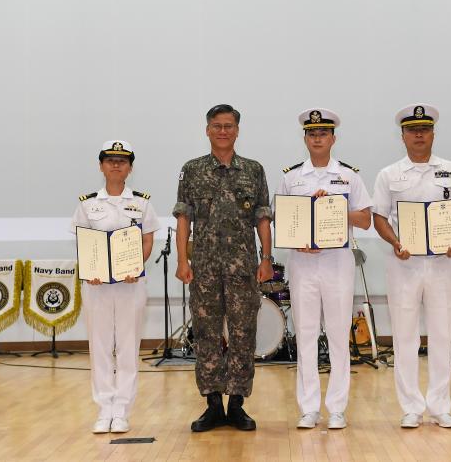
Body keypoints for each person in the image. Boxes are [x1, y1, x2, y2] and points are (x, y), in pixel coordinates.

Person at [372, 104, 451, 429]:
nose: (419, 134)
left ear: (433, 133)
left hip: (442, 264)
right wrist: (395, 242)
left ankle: (440, 405)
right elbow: (379, 218)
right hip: (404, 264)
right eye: (412, 130)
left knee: (443, 334)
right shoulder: (388, 174)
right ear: (402, 135)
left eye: (425, 129)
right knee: (404, 337)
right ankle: (411, 407)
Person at [172, 104, 273, 432]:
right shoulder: (192, 170)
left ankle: (237, 405)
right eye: (217, 126)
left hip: (243, 268)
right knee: (207, 336)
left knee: (244, 336)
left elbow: (262, 217)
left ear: (237, 130)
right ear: (207, 130)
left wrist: (267, 258)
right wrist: (182, 261)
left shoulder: (253, 170)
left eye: (229, 125)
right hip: (204, 270)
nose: (223, 131)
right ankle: (213, 404)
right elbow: (184, 218)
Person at [276, 108, 372, 430]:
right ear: (305, 138)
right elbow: (283, 220)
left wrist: (335, 206)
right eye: (311, 134)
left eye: (323, 133)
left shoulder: (349, 176)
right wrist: (297, 240)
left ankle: (337, 408)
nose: (317, 138)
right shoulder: (292, 177)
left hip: (337, 264)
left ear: (333, 138)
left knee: (337, 335)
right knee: (304, 334)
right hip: (303, 264)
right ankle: (308, 408)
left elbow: (366, 219)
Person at [71, 140, 160, 434]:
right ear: (101, 166)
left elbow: (147, 241)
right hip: (96, 286)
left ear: (130, 168)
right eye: (110, 160)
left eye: (122, 161)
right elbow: (83, 241)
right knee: (99, 347)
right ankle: (103, 409)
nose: (116, 165)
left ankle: (121, 409)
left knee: (127, 346)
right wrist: (92, 269)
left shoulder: (142, 202)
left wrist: (135, 266)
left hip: (130, 284)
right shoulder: (87, 204)